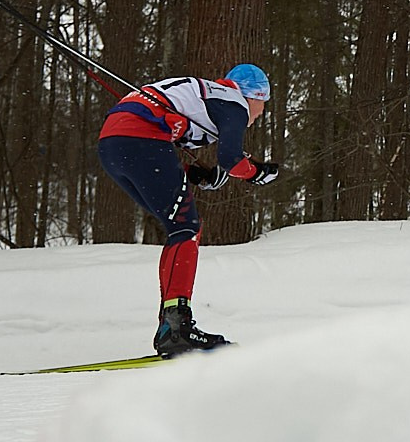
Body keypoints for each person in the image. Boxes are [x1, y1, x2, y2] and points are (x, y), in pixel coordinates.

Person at [95, 63, 280, 356]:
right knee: (187, 229)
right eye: (263, 104)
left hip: (112, 146)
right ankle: (176, 328)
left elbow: (164, 147)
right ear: (254, 96)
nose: (260, 113)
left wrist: (196, 174)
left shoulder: (207, 96)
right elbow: (232, 159)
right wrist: (256, 172)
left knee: (178, 228)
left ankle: (172, 325)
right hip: (141, 140)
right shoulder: (234, 102)